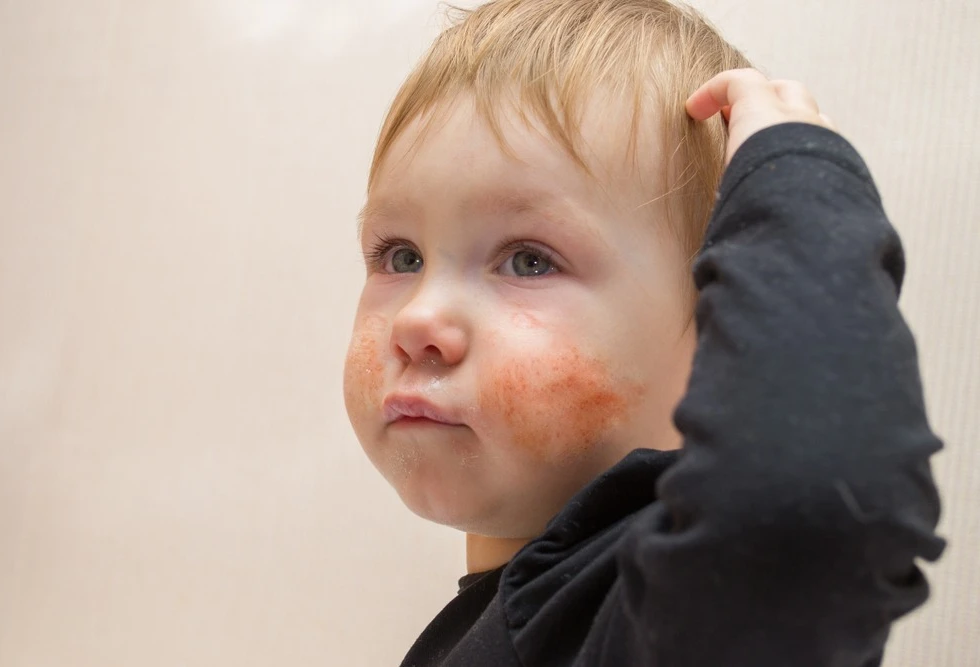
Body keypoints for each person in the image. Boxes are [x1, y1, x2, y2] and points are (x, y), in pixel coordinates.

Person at [341, 1, 945, 664]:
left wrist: (798, 188)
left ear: (717, 341)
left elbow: (804, 513)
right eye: (401, 254)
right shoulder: (522, 619)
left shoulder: (662, 613)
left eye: (529, 259)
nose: (418, 320)